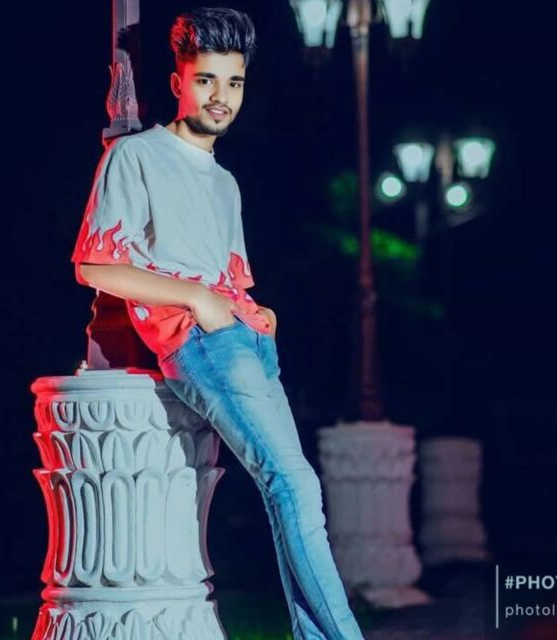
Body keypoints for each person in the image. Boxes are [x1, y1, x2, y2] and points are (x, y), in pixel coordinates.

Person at [71, 7, 366, 640]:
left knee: (292, 488)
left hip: (246, 338)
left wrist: (257, 313)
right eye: (206, 79)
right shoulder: (138, 154)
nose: (220, 96)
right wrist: (198, 300)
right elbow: (94, 264)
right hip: (200, 339)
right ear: (178, 82)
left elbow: (227, 274)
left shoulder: (225, 182)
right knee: (294, 483)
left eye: (233, 82)